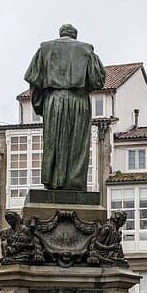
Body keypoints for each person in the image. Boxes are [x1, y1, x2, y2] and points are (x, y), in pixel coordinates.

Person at [23, 24, 106, 191]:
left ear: (60, 34)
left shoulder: (44, 49)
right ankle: (75, 183)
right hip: (79, 101)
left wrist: (40, 105)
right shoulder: (87, 50)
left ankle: (53, 181)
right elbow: (98, 80)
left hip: (54, 100)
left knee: (53, 141)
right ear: (75, 35)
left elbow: (34, 82)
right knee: (77, 143)